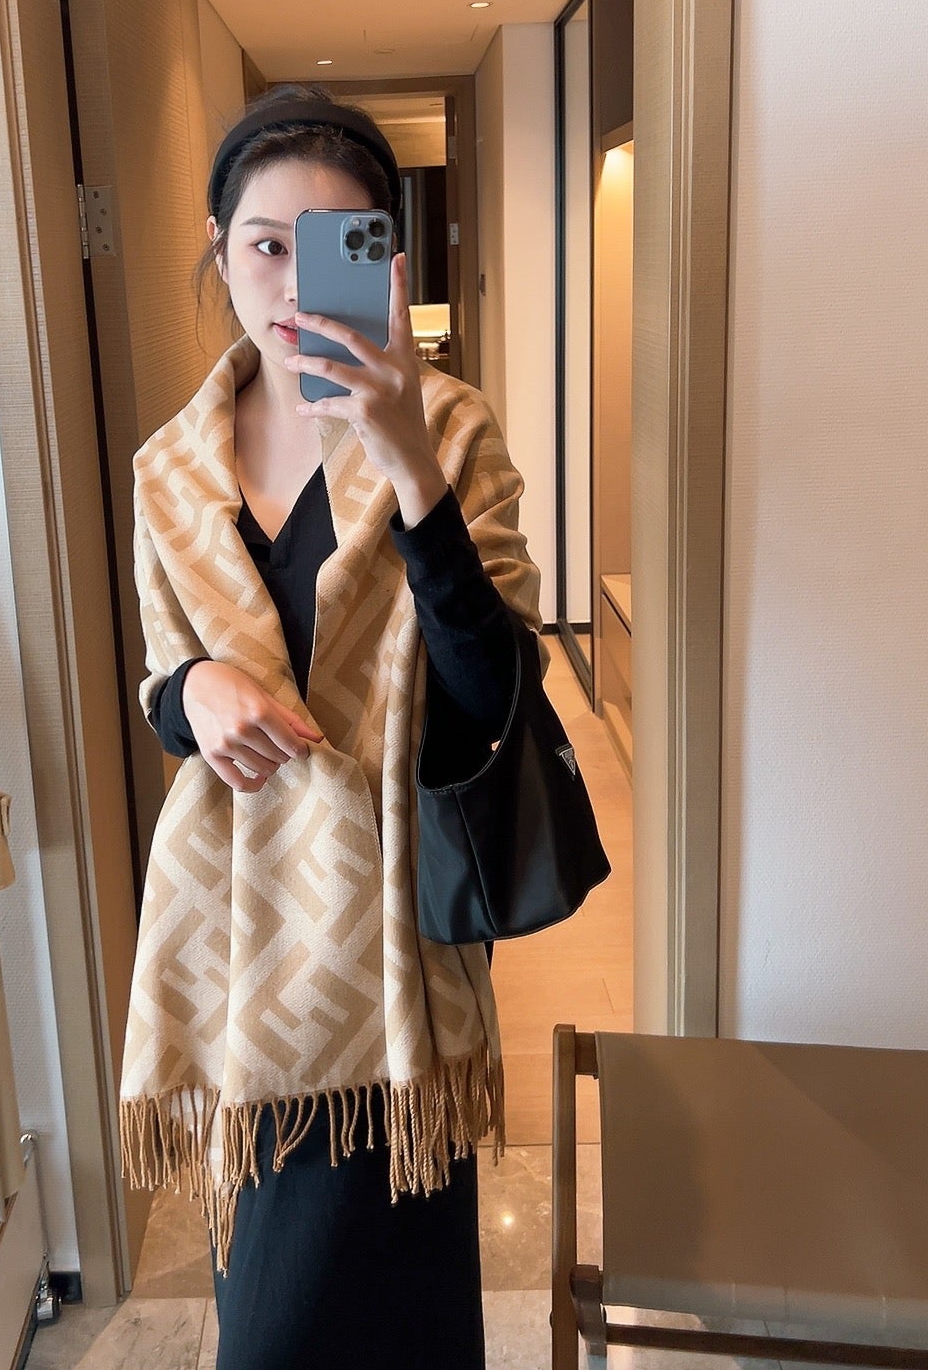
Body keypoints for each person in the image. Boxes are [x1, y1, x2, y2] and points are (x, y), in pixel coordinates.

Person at [120, 84, 544, 1370]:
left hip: (392, 939)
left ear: (385, 261)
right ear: (218, 247)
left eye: (335, 245)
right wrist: (191, 693)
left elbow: (493, 696)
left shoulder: (452, 427)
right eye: (265, 244)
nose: (294, 282)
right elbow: (162, 678)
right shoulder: (169, 466)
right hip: (235, 941)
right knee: (269, 1317)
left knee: (402, 1316)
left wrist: (406, 457)